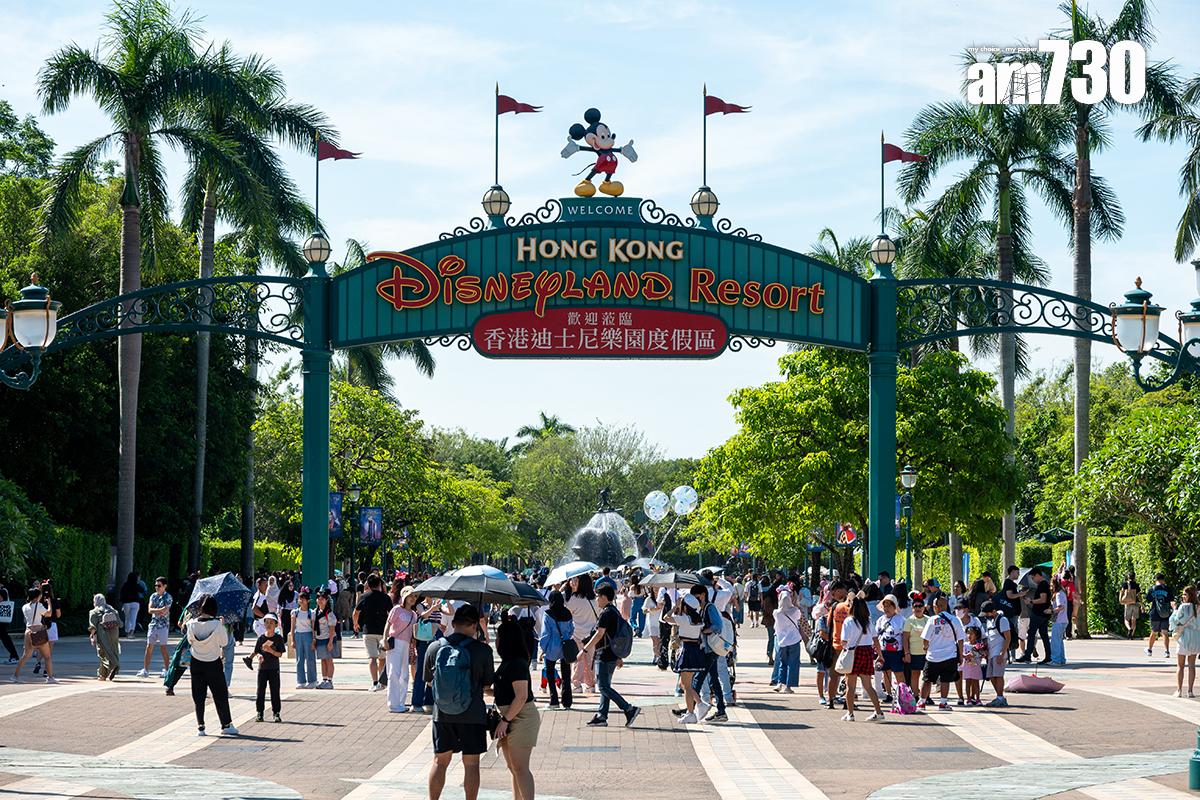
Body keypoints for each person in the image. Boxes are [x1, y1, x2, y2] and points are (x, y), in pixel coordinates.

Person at [425, 604, 494, 800]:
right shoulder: (482, 650)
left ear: (454, 623)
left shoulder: (435, 647)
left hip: (442, 713)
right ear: (474, 625)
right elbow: (487, 684)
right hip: (473, 714)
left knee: (440, 762)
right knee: (471, 764)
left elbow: (428, 681)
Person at [582, 583, 641, 727]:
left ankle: (628, 709)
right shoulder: (614, 611)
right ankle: (602, 715)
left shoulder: (606, 613)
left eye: (598, 596)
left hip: (604, 654)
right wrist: (618, 656)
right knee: (606, 685)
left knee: (603, 687)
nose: (596, 599)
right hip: (612, 654)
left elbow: (599, 634)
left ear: (603, 597)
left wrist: (584, 650)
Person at [493, 619, 540, 800]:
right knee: (514, 768)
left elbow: (521, 696)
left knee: (520, 767)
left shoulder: (518, 663)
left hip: (521, 717)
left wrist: (505, 721)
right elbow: (506, 691)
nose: (496, 640)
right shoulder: (508, 662)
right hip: (510, 716)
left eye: (498, 636)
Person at [186, 594, 237, 736]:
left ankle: (201, 727)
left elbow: (190, 641)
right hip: (213, 662)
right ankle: (226, 725)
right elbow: (224, 642)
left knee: (198, 695)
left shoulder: (191, 623)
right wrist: (222, 625)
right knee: (220, 694)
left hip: (196, 661)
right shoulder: (217, 624)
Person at [838, 595, 884, 722]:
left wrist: (845, 647)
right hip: (867, 652)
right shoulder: (868, 621)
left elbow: (844, 641)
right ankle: (879, 712)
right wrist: (880, 655)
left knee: (850, 686)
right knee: (868, 686)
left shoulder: (849, 621)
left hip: (854, 653)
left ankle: (850, 714)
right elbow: (875, 639)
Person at [919, 596, 964, 711]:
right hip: (949, 655)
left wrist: (926, 648)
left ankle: (922, 702)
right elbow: (960, 639)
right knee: (945, 680)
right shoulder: (955, 619)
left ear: (935, 607)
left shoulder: (932, 620)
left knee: (927, 679)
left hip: (933, 656)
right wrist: (960, 655)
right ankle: (943, 703)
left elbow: (925, 639)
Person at [672, 584, 707, 724]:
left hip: (686, 650)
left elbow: (665, 618)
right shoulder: (698, 620)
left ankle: (691, 713)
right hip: (695, 649)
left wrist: (675, 607)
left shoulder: (684, 619)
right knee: (684, 684)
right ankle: (700, 704)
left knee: (686, 685)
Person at [354, 574, 393, 692]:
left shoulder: (364, 597)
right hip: (383, 631)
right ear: (380, 584)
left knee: (372, 658)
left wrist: (355, 624)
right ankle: (382, 682)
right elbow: (391, 614)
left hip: (368, 630)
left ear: (368, 584)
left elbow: (356, 612)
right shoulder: (386, 597)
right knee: (382, 658)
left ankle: (375, 682)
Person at [383, 586, 418, 712]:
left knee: (405, 674)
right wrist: (385, 639)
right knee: (394, 672)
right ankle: (393, 704)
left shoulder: (414, 614)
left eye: (414, 596)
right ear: (404, 597)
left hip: (407, 645)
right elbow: (388, 624)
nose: (413, 598)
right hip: (395, 643)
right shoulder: (397, 609)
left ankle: (401, 702)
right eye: (410, 596)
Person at [539, 590, 575, 709]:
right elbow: (571, 629)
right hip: (565, 646)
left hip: (552, 647)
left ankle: (554, 700)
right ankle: (567, 701)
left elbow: (545, 634)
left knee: (550, 673)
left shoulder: (548, 614)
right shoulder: (567, 613)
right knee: (566, 674)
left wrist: (543, 648)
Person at [10, 587, 54, 683]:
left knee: (25, 656)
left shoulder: (24, 606)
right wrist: (49, 603)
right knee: (47, 656)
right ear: (37, 596)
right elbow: (49, 613)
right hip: (39, 632)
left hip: (28, 632)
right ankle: (50, 678)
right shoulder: (39, 605)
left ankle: (15, 676)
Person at [565, 574, 598, 695]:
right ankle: (591, 685)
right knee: (590, 661)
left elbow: (567, 614)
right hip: (592, 636)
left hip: (577, 633)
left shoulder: (574, 599)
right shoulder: (595, 599)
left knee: (578, 660)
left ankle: (577, 684)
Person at [137, 577, 172, 678]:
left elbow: (165, 611)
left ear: (165, 586)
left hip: (163, 626)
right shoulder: (153, 596)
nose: (157, 587)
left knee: (163, 647)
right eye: (156, 585)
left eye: (159, 585)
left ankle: (167, 670)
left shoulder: (168, 597)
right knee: (149, 647)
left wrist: (156, 610)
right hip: (153, 624)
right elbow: (150, 610)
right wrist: (160, 610)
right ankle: (145, 670)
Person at [1015, 568, 1052, 665]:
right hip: (1043, 614)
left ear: (1037, 575)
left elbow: (1043, 599)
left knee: (1031, 634)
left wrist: (1031, 601)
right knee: (1044, 635)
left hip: (1038, 614)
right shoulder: (1044, 584)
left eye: (1032, 578)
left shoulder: (1042, 585)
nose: (1032, 580)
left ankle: (1027, 656)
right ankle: (1048, 656)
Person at [772, 579, 803, 695]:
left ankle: (780, 683)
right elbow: (799, 617)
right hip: (794, 640)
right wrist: (795, 602)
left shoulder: (776, 613)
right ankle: (788, 686)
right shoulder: (794, 611)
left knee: (782, 663)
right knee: (793, 663)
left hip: (781, 641)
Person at [412, 595, 442, 713]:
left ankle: (429, 701)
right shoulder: (421, 605)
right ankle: (416, 702)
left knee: (434, 670)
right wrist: (433, 608)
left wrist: (446, 603)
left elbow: (450, 612)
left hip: (437, 638)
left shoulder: (438, 604)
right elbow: (423, 615)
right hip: (424, 639)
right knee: (421, 669)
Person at [254, 614, 285, 723]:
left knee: (275, 691)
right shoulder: (261, 638)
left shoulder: (278, 638)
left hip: (274, 668)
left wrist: (271, 651)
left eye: (271, 622)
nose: (269, 625)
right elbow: (257, 651)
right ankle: (259, 713)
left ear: (276, 625)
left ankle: (276, 713)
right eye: (266, 622)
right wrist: (259, 656)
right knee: (260, 691)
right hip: (262, 668)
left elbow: (280, 654)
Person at [875, 594, 906, 702]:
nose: (886, 608)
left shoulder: (901, 619)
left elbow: (904, 637)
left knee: (899, 673)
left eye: (889, 605)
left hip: (897, 651)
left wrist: (906, 652)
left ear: (894, 606)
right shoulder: (880, 620)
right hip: (883, 651)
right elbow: (876, 635)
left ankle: (903, 695)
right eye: (885, 606)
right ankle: (889, 694)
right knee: (886, 673)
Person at [1169, 585, 1198, 698]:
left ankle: (1179, 690)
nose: (1183, 596)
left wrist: (1174, 609)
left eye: (1185, 594)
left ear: (1190, 595)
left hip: (1184, 637)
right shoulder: (1198, 607)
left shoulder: (1183, 607)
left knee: (1180, 665)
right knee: (1192, 665)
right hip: (1195, 638)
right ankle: (1190, 691)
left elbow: (1176, 621)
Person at [825, 581, 851, 708]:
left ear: (839, 590)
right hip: (849, 645)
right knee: (849, 675)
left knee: (833, 675)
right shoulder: (851, 606)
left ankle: (830, 700)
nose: (832, 595)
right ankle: (848, 701)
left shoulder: (835, 607)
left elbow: (828, 623)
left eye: (833, 592)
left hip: (836, 644)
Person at [980, 600, 1011, 707]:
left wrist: (1002, 654)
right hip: (991, 653)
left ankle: (1000, 698)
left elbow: (1008, 638)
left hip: (999, 652)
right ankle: (999, 697)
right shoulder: (989, 621)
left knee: (998, 675)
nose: (986, 615)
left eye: (987, 613)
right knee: (991, 676)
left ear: (993, 611)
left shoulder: (1003, 620)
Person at [87, 593, 122, 680]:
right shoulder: (113, 610)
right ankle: (103, 675)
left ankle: (114, 666)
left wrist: (93, 637)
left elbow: (93, 627)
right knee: (114, 651)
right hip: (114, 633)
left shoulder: (94, 612)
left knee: (102, 653)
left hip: (102, 634)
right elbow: (120, 624)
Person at [289, 590, 317, 689]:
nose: (301, 601)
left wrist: (314, 640)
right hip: (298, 635)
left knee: (310, 658)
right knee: (299, 659)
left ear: (308, 600)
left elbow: (313, 628)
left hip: (308, 635)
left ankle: (312, 680)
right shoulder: (295, 612)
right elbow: (292, 627)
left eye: (303, 599)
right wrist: (292, 640)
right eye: (299, 599)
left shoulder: (311, 612)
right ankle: (301, 681)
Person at [998, 565, 1025, 659]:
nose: (1018, 574)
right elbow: (1009, 595)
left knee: (1012, 632)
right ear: (1012, 572)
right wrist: (1020, 594)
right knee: (1011, 633)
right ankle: (1010, 655)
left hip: (1012, 612)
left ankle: (1011, 655)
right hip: (1010, 612)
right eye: (1017, 572)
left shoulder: (1010, 583)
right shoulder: (1009, 583)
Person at [314, 590, 338, 689]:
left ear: (326, 600)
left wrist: (330, 642)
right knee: (323, 660)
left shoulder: (329, 613)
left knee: (329, 660)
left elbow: (332, 628)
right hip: (319, 638)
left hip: (327, 639)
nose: (320, 601)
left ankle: (329, 681)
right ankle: (324, 680)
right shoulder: (316, 611)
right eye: (318, 599)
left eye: (322, 599)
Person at [1146, 573, 1174, 658]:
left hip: (1154, 613)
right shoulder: (1168, 589)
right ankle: (1167, 651)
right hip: (1165, 613)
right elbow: (1171, 600)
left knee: (1154, 632)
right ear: (1163, 580)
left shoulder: (1152, 589)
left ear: (1155, 580)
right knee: (1165, 632)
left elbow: (1148, 599)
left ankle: (1150, 650)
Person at [1048, 576, 1069, 666]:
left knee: (1055, 641)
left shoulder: (1058, 594)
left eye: (1051, 584)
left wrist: (1051, 611)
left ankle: (1056, 660)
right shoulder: (1062, 593)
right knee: (1059, 641)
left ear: (1055, 584)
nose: (1050, 586)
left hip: (1059, 620)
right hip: (1063, 620)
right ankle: (1061, 659)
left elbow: (1061, 607)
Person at [119, 571, 144, 637]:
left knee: (127, 618)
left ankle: (127, 632)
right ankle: (131, 632)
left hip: (126, 603)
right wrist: (138, 583)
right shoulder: (136, 584)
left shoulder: (125, 585)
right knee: (133, 618)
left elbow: (121, 593)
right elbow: (142, 590)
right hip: (135, 603)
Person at [1119, 572, 1142, 639]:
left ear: (1128, 577)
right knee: (1134, 620)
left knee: (1126, 619)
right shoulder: (1136, 585)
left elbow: (1122, 592)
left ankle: (1129, 629)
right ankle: (1131, 635)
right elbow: (1139, 595)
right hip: (1135, 603)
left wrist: (1120, 600)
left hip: (1127, 603)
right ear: (1134, 577)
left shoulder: (1125, 584)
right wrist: (1141, 603)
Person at [0, 585, 19, 663]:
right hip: (2, 622)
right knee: (6, 639)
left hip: (2, 622)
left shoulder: (3, 591)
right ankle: (14, 656)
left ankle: (14, 656)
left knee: (6, 640)